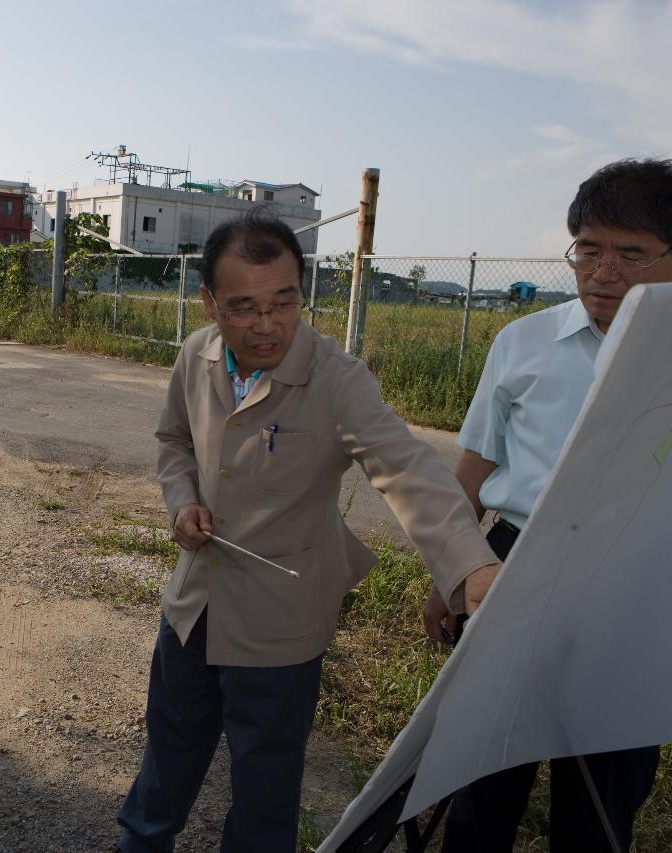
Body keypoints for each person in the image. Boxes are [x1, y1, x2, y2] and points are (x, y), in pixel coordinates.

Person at [114, 208, 503, 853]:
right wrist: (182, 502)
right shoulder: (196, 355)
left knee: (267, 777)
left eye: (284, 301)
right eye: (243, 307)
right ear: (208, 300)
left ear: (302, 291)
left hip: (282, 615)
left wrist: (471, 564)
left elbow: (407, 471)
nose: (266, 325)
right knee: (171, 746)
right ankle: (140, 842)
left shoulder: (337, 380)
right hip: (194, 601)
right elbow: (174, 440)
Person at [424, 157, 672, 852]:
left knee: (602, 796)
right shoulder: (523, 342)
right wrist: (448, 571)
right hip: (511, 568)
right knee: (480, 782)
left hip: (641, 587)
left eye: (630, 254)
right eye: (588, 249)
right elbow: (471, 470)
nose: (603, 272)